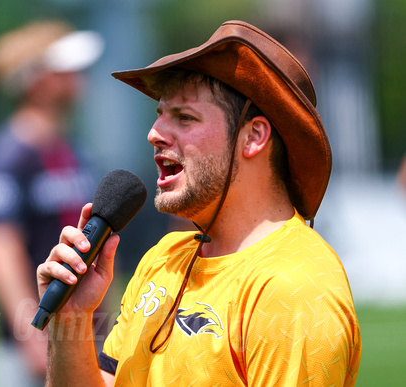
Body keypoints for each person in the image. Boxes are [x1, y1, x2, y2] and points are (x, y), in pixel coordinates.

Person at [36, 20, 362, 386]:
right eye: (160, 115)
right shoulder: (163, 258)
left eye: (184, 117)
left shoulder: (295, 288)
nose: (154, 134)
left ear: (253, 136)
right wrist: (72, 321)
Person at [0, 20, 104, 386]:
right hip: (34, 346)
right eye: (66, 69)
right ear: (36, 80)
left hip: (88, 339)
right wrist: (30, 331)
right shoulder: (5, 157)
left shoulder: (73, 151)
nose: (79, 75)